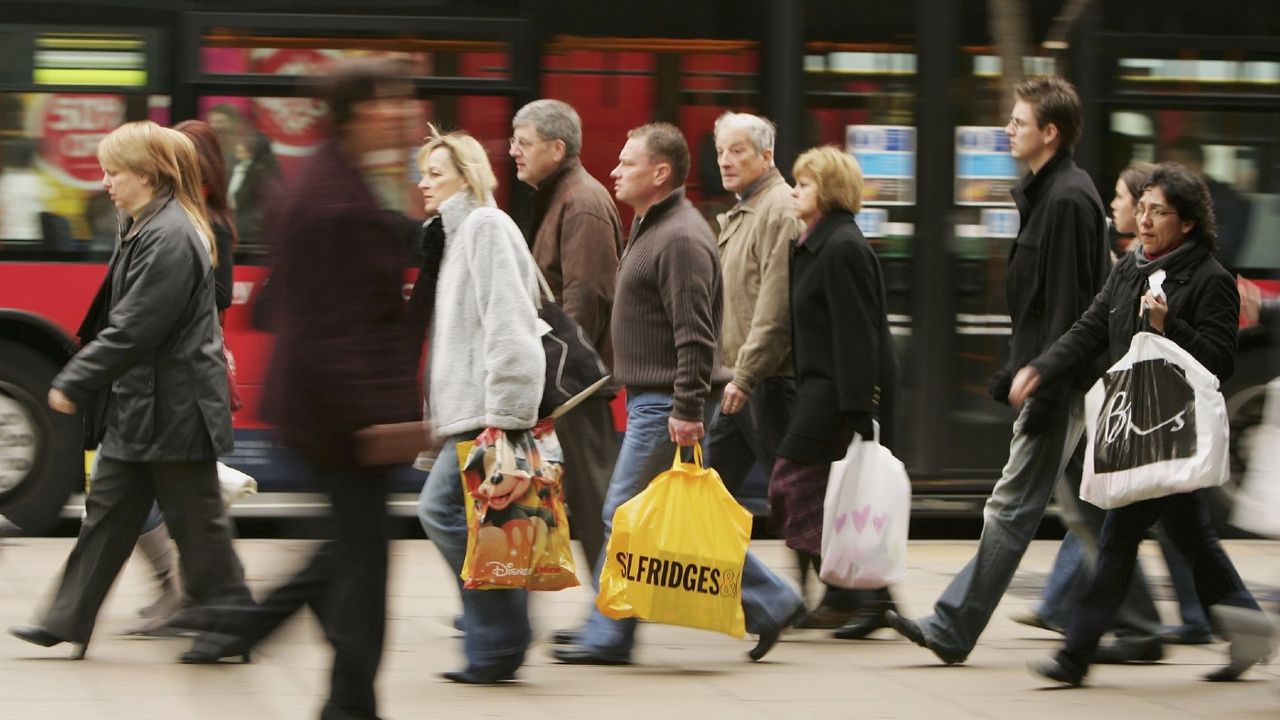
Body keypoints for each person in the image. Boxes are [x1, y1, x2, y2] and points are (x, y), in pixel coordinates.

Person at [187, 60, 422, 720]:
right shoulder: (334, 199)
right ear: (355, 112)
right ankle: (342, 703)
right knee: (362, 574)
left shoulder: (341, 182)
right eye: (390, 102)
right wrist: (374, 419)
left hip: (333, 416)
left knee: (350, 559)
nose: (403, 114)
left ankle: (260, 639)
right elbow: (327, 328)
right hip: (340, 424)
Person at [551, 123, 804, 666]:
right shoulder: (654, 226)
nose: (615, 171)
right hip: (652, 398)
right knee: (654, 520)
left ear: (659, 173)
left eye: (626, 163)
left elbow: (696, 335)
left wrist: (688, 409)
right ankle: (770, 599)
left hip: (667, 402)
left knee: (624, 514)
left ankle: (610, 633)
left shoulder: (682, 237)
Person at [886, 77, 1117, 665]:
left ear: (1050, 132)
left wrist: (1042, 382)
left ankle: (952, 625)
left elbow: (1068, 308)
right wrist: (1017, 365)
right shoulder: (1051, 193)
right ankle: (1139, 625)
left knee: (1010, 507)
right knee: (1090, 513)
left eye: (1018, 121)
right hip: (1056, 376)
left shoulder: (1066, 199)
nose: (1008, 130)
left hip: (1060, 383)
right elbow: (1041, 306)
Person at [1019, 162, 1276, 687]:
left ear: (1187, 223)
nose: (1145, 219)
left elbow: (1219, 362)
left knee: (1118, 538)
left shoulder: (1211, 280)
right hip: (1135, 422)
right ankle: (1250, 634)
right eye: (1142, 208)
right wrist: (1042, 369)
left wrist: (1168, 325)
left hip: (1173, 430)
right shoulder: (1129, 268)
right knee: (1194, 541)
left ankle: (1074, 657)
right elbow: (1090, 327)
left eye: (1159, 211)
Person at [8, 120, 251, 660]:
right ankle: (65, 617)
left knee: (198, 526)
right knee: (108, 515)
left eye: (114, 171)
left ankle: (233, 625)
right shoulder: (143, 224)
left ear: (146, 174)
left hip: (176, 407)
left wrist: (74, 377)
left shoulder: (169, 235)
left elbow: (138, 326)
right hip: (144, 404)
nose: (105, 182)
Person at [415, 126, 546, 684]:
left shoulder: (485, 227)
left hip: (488, 412)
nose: (423, 183)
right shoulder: (457, 232)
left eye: (435, 173)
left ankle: (501, 633)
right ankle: (494, 638)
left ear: (465, 177)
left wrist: (507, 417)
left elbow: (510, 324)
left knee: (445, 513)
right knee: (481, 523)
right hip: (471, 409)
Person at [765, 145, 899, 635]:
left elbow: (858, 333)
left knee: (790, 485)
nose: (795, 191)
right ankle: (858, 595)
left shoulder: (843, 247)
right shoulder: (810, 243)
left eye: (804, 183)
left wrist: (860, 411)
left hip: (839, 391)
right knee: (822, 497)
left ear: (829, 191)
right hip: (818, 386)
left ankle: (862, 593)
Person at [118, 119, 241, 637]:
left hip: (184, 380)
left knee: (187, 501)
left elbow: (217, 298)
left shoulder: (206, 224)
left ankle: (200, 596)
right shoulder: (168, 218)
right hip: (161, 381)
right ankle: (192, 594)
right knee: (177, 499)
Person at [509, 99, 622, 584]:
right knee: (574, 501)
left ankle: (612, 619)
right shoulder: (560, 197)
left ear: (557, 149)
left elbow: (586, 299)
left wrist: (555, 375)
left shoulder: (582, 203)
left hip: (575, 386)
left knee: (597, 505)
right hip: (565, 382)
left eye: (524, 142)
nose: (513, 150)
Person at [228, 132, 282, 248]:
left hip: (250, 236)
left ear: (252, 149)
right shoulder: (238, 167)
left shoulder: (261, 173)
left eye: (242, 145)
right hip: (236, 226)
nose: (237, 147)